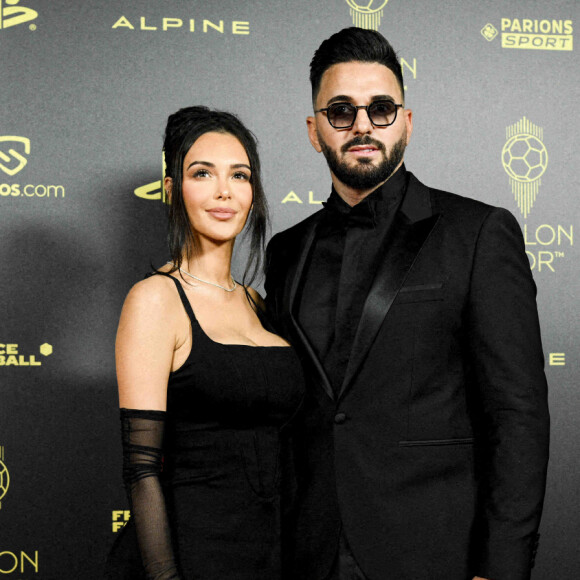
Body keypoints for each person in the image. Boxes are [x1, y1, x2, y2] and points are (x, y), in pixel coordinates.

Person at [265, 27, 550, 580]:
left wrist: (502, 567)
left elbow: (517, 417)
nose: (363, 125)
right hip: (309, 553)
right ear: (313, 130)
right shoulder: (285, 252)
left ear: (408, 121)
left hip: (435, 555)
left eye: (381, 108)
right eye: (341, 111)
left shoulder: (477, 233)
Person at [105, 106, 304, 580]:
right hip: (192, 555)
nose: (223, 191)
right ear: (173, 190)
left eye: (239, 175)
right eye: (202, 173)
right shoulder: (155, 299)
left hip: (271, 554)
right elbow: (141, 468)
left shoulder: (258, 303)